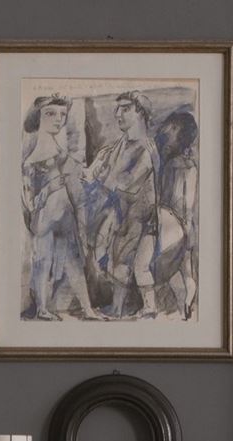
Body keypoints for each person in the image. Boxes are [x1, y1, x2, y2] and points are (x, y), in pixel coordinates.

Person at [21, 95, 104, 321]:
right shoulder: (30, 162)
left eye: (62, 115)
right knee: (43, 260)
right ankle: (42, 309)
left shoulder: (62, 154)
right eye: (51, 114)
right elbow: (29, 201)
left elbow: (78, 187)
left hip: (66, 215)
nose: (58, 119)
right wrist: (49, 189)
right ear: (38, 118)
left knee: (74, 261)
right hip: (45, 219)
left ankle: (87, 309)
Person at [87, 91, 161, 318]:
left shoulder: (146, 148)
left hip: (139, 217)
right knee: (111, 258)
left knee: (126, 262)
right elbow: (105, 174)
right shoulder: (119, 144)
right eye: (117, 109)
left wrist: (97, 177)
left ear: (141, 113)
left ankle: (126, 309)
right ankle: (118, 308)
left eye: (126, 109)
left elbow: (128, 184)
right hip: (120, 215)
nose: (118, 114)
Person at [155, 112, 199, 319]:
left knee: (175, 268)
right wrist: (188, 225)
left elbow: (174, 198)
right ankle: (186, 303)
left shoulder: (173, 165)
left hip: (172, 222)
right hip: (184, 223)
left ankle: (183, 306)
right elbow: (187, 201)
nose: (166, 132)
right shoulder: (190, 165)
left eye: (171, 129)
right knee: (185, 269)